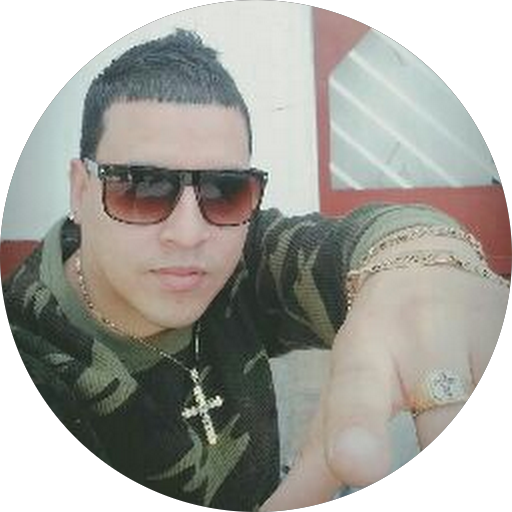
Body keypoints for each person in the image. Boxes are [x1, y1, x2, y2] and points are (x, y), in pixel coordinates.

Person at [4, 30, 509, 511]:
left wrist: (422, 272)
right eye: (142, 187)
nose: (189, 233)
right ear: (80, 189)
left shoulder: (241, 259)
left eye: (224, 189)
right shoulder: (36, 353)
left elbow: (361, 242)